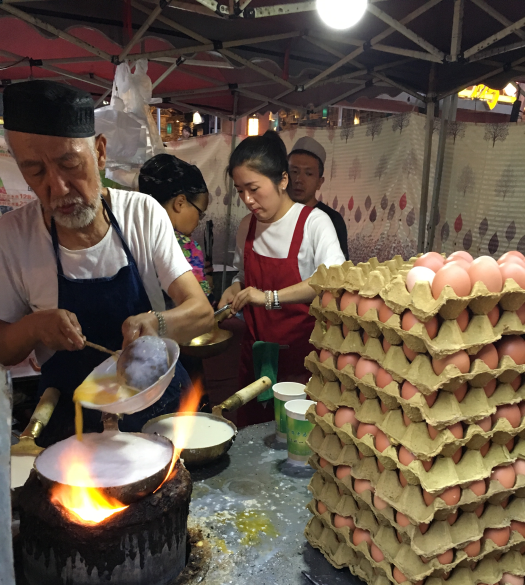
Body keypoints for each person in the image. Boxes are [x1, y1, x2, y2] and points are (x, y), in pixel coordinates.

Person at [0, 80, 213, 444]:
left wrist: (158, 323)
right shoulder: (13, 236)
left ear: (99, 152)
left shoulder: (143, 214)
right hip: (74, 429)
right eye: (35, 171)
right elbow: (5, 348)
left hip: (156, 416)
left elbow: (201, 313)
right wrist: (35, 327)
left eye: (69, 164)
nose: (58, 187)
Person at [219, 130, 345, 426]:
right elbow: (242, 275)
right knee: (250, 438)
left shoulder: (314, 223)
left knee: (297, 443)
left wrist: (268, 298)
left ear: (282, 180)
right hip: (256, 357)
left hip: (302, 359)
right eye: (239, 191)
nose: (247, 200)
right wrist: (234, 290)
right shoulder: (247, 226)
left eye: (253, 188)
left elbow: (334, 280)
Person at [139, 153, 213, 302]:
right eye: (200, 213)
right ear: (180, 203)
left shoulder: (134, 234)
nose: (198, 221)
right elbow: (201, 306)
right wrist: (209, 284)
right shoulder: (185, 246)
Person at [288, 136, 349, 260]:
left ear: (319, 182)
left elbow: (338, 271)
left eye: (308, 174)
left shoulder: (332, 220)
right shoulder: (276, 215)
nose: (299, 180)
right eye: (294, 171)